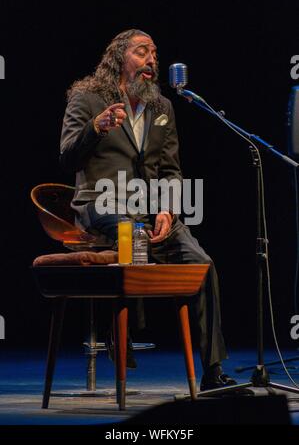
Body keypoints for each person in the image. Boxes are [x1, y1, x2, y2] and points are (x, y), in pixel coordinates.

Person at [60, 29, 236, 391]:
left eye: (154, 53)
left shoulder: (162, 108)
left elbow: (170, 170)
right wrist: (95, 127)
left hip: (148, 208)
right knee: (132, 234)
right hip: (100, 203)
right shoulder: (88, 98)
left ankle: (214, 371)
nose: (152, 60)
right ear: (120, 59)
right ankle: (120, 327)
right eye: (142, 52)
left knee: (200, 262)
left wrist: (168, 210)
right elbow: (66, 156)